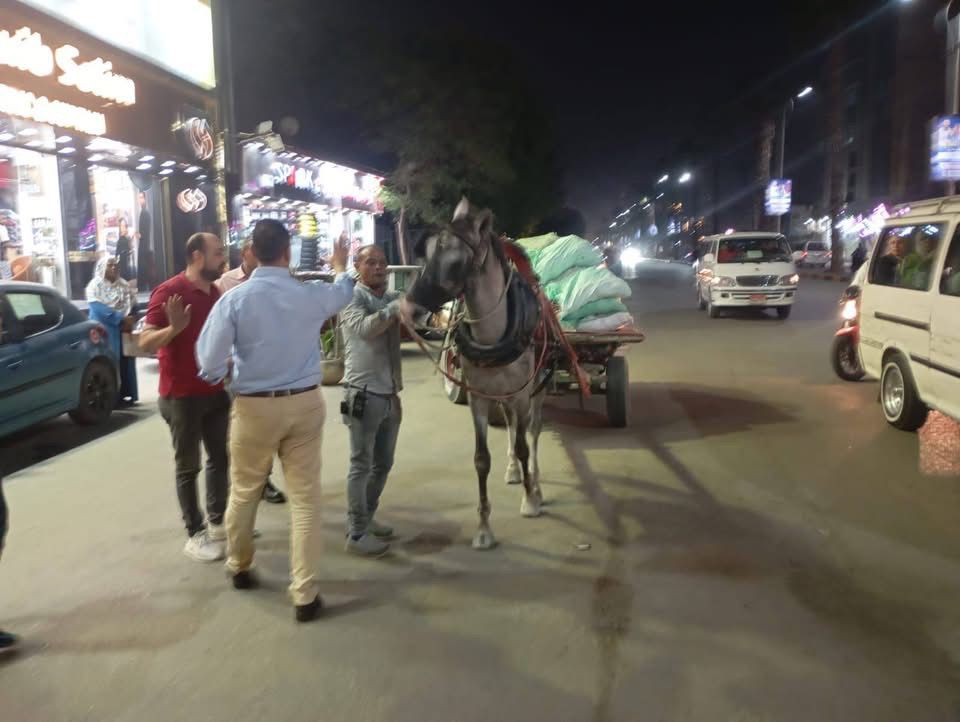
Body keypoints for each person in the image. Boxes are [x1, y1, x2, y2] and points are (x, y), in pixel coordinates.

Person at [196, 220, 355, 623]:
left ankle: (240, 565)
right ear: (287, 252)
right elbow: (343, 293)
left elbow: (209, 362)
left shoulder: (234, 300)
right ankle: (304, 593)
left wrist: (227, 371)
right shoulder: (308, 295)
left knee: (245, 490)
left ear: (252, 251)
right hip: (304, 405)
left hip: (254, 407)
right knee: (305, 501)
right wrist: (339, 264)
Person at [139, 233, 230, 563]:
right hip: (181, 396)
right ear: (196, 256)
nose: (223, 258)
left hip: (215, 390)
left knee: (221, 458)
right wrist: (173, 330)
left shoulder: (215, 291)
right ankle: (195, 533)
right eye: (217, 253)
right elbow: (145, 342)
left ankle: (217, 522)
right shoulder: (169, 291)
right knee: (187, 467)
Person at [340, 245, 404, 557]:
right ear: (357, 265)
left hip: (390, 394)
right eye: (371, 262)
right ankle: (356, 533)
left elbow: (418, 318)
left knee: (383, 464)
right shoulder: (351, 297)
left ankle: (365, 516)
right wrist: (396, 309)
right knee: (361, 464)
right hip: (363, 392)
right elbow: (366, 329)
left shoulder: (390, 298)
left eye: (382, 263)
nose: (379, 267)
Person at [214, 238, 287, 505]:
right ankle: (243, 485)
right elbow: (215, 327)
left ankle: (263, 480)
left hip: (269, 369)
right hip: (237, 370)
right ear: (246, 253)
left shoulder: (276, 282)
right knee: (241, 432)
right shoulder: (225, 283)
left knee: (268, 431)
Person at [86, 257, 138, 405]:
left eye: (116, 265)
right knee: (110, 363)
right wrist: (120, 318)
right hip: (106, 330)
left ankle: (126, 395)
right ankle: (111, 399)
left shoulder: (124, 285)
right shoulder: (94, 286)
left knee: (126, 363)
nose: (114, 268)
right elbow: (98, 308)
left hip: (124, 329)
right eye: (110, 265)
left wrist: (132, 318)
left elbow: (133, 304)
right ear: (103, 268)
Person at [136, 192, 155, 292]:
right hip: (143, 245)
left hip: (145, 246)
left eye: (142, 197)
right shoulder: (143, 212)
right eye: (139, 198)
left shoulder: (145, 213)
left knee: (145, 269)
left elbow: (145, 232)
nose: (140, 200)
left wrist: (140, 235)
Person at [115, 218, 134, 282]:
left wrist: (128, 251)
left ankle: (126, 280)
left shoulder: (126, 238)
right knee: (123, 269)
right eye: (121, 226)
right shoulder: (121, 238)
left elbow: (129, 247)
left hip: (125, 256)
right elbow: (118, 248)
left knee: (125, 269)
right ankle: (124, 280)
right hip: (122, 256)